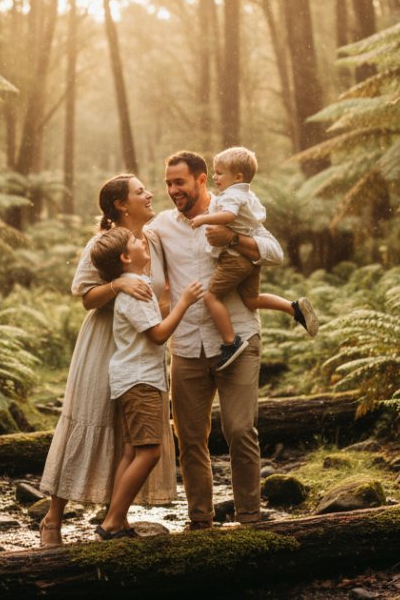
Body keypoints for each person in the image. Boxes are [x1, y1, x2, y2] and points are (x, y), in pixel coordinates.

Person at [37, 175, 177, 546]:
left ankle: (117, 516)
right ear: (120, 204)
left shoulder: (154, 241)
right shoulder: (102, 243)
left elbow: (161, 294)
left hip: (142, 344)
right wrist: (116, 285)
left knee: (130, 434)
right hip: (104, 344)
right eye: (140, 191)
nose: (149, 194)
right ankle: (53, 518)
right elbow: (85, 296)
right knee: (89, 419)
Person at [147, 151, 284, 530]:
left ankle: (250, 520)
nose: (174, 190)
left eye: (180, 183)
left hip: (238, 340)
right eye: (168, 184)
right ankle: (201, 523)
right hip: (188, 347)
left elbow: (275, 252)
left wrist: (234, 238)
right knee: (190, 439)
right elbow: (129, 241)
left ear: (202, 179)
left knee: (240, 431)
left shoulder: (235, 210)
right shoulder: (161, 226)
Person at [88, 227, 203, 539]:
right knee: (149, 452)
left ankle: (119, 519)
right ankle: (111, 522)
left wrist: (167, 298)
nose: (142, 242)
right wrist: (185, 302)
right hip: (141, 380)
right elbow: (158, 334)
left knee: (131, 451)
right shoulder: (136, 287)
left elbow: (149, 324)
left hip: (131, 378)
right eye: (135, 241)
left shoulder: (135, 287)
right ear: (126, 257)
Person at [189, 146, 318, 370]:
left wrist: (203, 219)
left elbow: (228, 216)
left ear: (238, 177)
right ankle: (293, 307)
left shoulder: (232, 196)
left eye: (219, 172)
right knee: (251, 300)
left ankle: (231, 342)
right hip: (249, 261)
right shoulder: (247, 195)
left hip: (235, 259)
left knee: (211, 298)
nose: (214, 177)